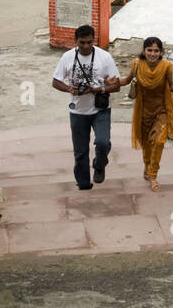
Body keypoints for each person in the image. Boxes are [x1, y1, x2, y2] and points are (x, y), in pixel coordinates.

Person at [51, 24, 121, 190]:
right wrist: (69, 89)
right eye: (82, 42)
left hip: (100, 109)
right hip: (77, 111)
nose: (85, 46)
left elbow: (117, 85)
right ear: (75, 41)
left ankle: (99, 164)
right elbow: (55, 81)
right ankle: (83, 183)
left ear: (94, 41)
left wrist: (97, 89)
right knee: (81, 151)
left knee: (103, 143)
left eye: (89, 42)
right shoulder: (67, 57)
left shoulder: (104, 57)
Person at [119, 37, 173, 192]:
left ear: (161, 52)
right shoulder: (137, 64)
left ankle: (153, 175)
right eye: (149, 50)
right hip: (143, 111)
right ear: (144, 51)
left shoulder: (167, 66)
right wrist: (111, 82)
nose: (153, 54)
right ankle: (147, 165)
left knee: (159, 141)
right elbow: (126, 80)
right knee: (147, 143)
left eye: (156, 51)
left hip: (162, 110)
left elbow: (171, 86)